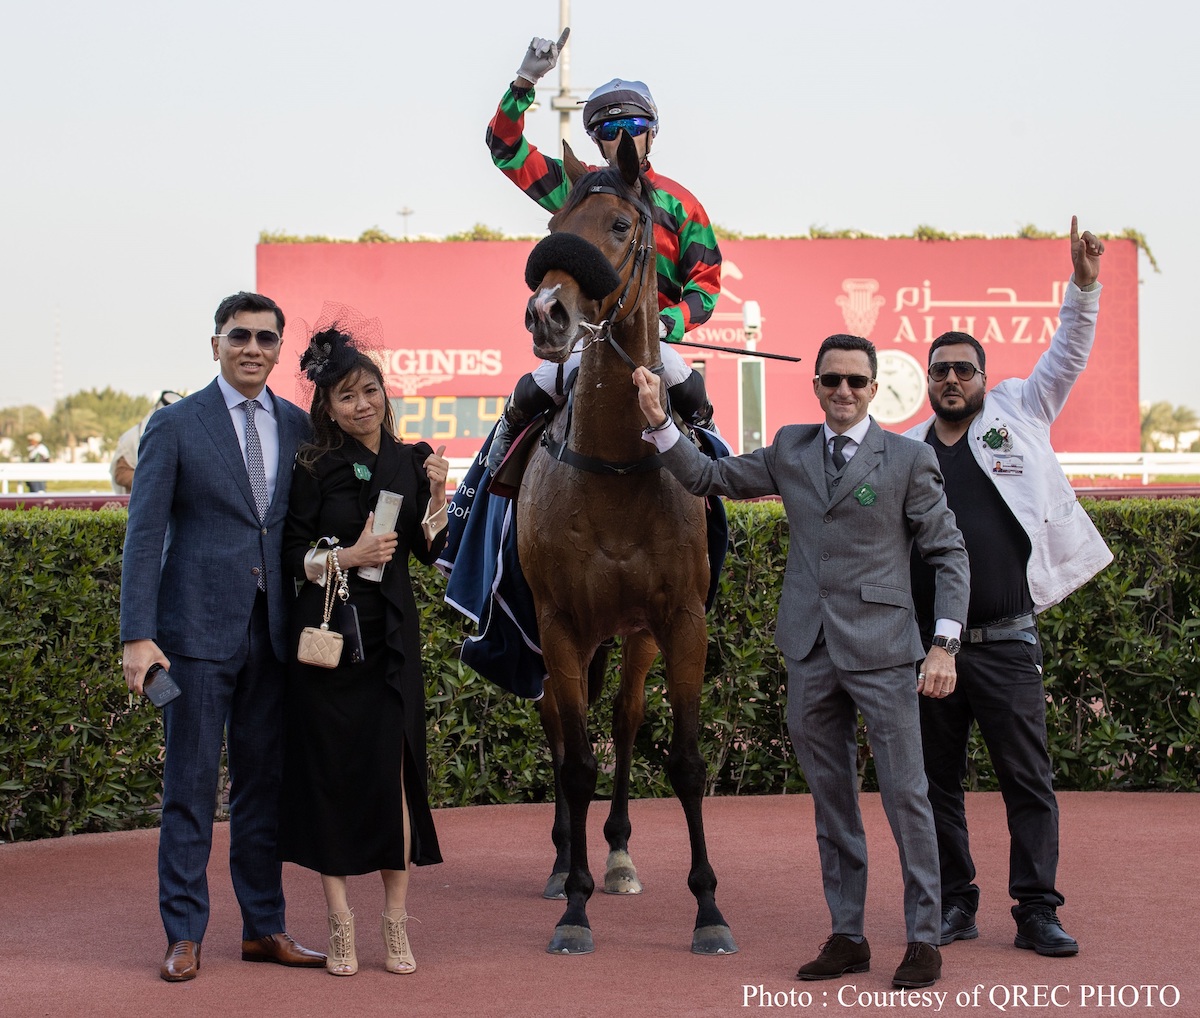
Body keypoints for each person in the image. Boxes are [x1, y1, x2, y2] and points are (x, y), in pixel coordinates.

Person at [633, 335, 970, 990]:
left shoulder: (907, 459)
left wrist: (945, 644)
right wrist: (658, 424)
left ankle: (924, 938)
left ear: (876, 389)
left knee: (907, 798)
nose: (842, 391)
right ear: (815, 386)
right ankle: (848, 934)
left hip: (885, 652)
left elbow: (949, 554)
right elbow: (709, 479)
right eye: (831, 380)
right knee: (831, 803)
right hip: (810, 650)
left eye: (855, 381)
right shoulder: (790, 448)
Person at [905, 217, 1110, 958]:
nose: (952, 379)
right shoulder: (908, 455)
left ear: (983, 377)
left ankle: (1036, 911)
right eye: (940, 371)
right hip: (933, 654)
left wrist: (1083, 283)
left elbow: (1070, 352)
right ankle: (956, 905)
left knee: (1029, 781)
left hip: (1008, 641)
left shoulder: (1020, 412)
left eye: (963, 368)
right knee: (937, 787)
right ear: (926, 382)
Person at [120, 292, 324, 982]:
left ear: (278, 349)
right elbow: (143, 538)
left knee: (263, 789)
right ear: (215, 344)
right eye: (240, 336)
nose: (253, 348)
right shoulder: (175, 425)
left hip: (274, 637)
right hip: (194, 637)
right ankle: (183, 935)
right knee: (189, 788)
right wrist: (136, 637)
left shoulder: (298, 427)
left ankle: (264, 929)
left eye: (267, 339)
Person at [279, 315, 449, 977]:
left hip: (390, 645)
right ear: (326, 406)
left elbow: (434, 550)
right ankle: (340, 926)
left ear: (384, 390)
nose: (362, 404)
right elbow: (294, 553)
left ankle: (396, 926)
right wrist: (344, 556)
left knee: (394, 782)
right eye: (345, 395)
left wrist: (437, 494)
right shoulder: (312, 465)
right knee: (329, 782)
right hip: (326, 642)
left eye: (369, 390)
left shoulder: (411, 459)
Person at [484, 27, 723, 471]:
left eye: (632, 126)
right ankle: (489, 481)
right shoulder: (580, 190)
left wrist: (671, 320)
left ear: (651, 133)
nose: (622, 138)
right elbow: (506, 150)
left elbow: (705, 288)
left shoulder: (683, 205)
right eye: (609, 129)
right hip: (586, 336)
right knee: (531, 390)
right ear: (596, 139)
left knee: (689, 391)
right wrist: (523, 83)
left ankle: (717, 469)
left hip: (651, 341)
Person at [110, 390, 183, 493]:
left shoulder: (184, 436)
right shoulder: (132, 437)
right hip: (138, 499)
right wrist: (153, 481)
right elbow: (121, 474)